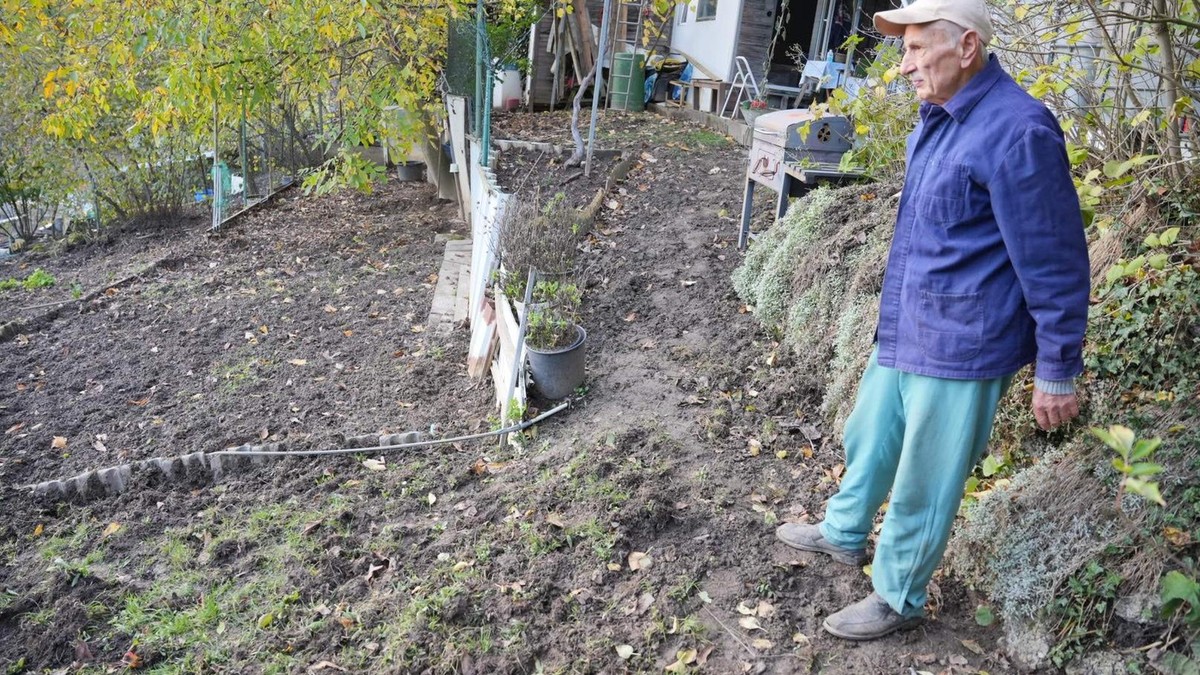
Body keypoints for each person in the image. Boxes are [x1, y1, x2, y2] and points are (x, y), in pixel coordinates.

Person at [774, 0, 1090, 641]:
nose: (905, 63)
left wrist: (1057, 366)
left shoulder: (1019, 131)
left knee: (925, 474)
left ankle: (898, 594)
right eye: (905, 47)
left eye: (919, 49)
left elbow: (1054, 258)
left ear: (967, 47)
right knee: (869, 434)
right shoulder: (938, 118)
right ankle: (844, 532)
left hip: (964, 343)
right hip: (908, 323)